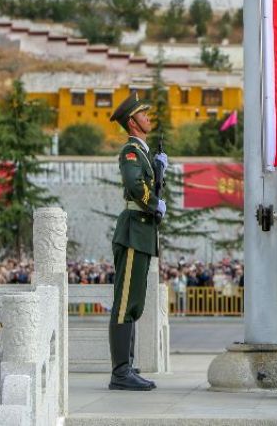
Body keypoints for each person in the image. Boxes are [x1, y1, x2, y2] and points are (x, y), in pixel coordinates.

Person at [106, 94, 168, 391]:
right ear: (132, 121)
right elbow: (134, 186)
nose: (148, 116)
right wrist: (155, 203)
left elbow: (143, 181)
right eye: (143, 113)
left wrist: (157, 172)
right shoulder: (131, 151)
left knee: (134, 303)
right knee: (124, 304)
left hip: (142, 234)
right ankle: (120, 372)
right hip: (133, 232)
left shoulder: (142, 153)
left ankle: (126, 365)